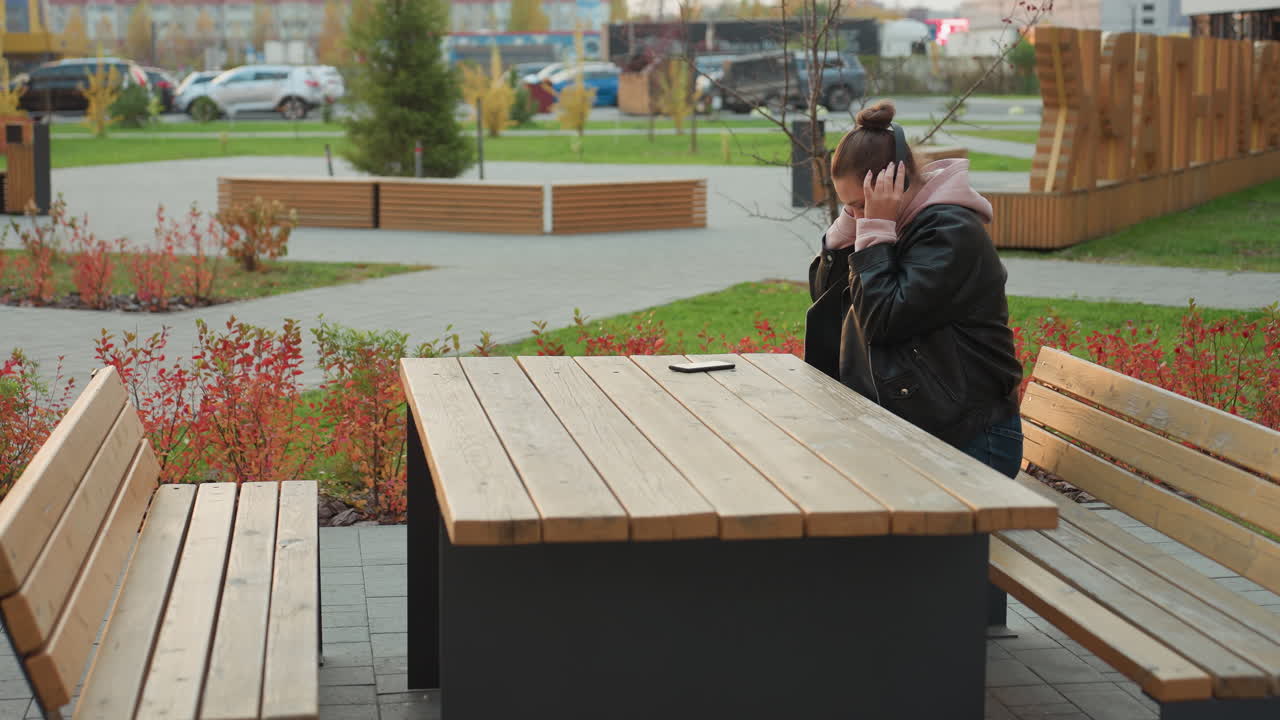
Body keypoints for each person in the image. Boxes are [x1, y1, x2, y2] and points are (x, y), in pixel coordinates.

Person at [804, 100, 1024, 479]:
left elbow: (884, 320)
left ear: (898, 183)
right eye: (847, 207)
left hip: (971, 439)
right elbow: (826, 298)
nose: (857, 216)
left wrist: (874, 233)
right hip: (910, 425)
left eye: (860, 205)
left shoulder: (950, 233)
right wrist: (846, 233)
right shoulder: (890, 224)